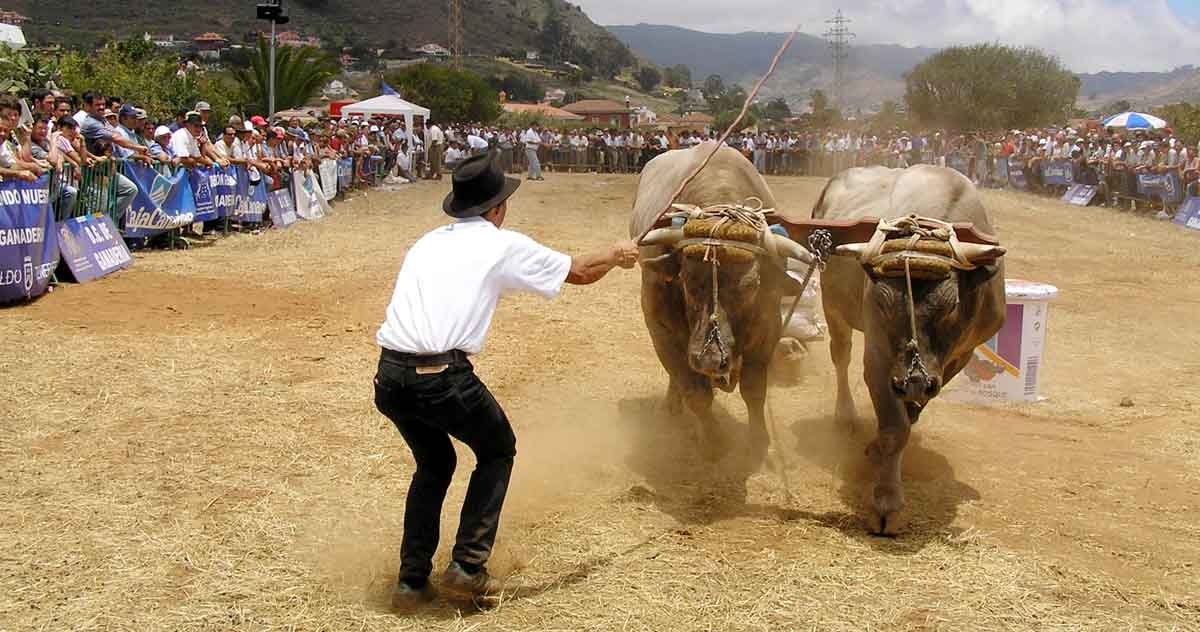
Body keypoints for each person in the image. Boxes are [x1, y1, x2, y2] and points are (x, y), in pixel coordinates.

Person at [374, 152, 638, 609]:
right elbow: (578, 271)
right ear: (497, 208)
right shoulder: (499, 244)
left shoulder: (428, 241)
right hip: (441, 376)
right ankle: (468, 565)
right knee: (497, 450)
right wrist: (616, 255)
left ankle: (412, 580)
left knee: (434, 465)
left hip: (390, 376)